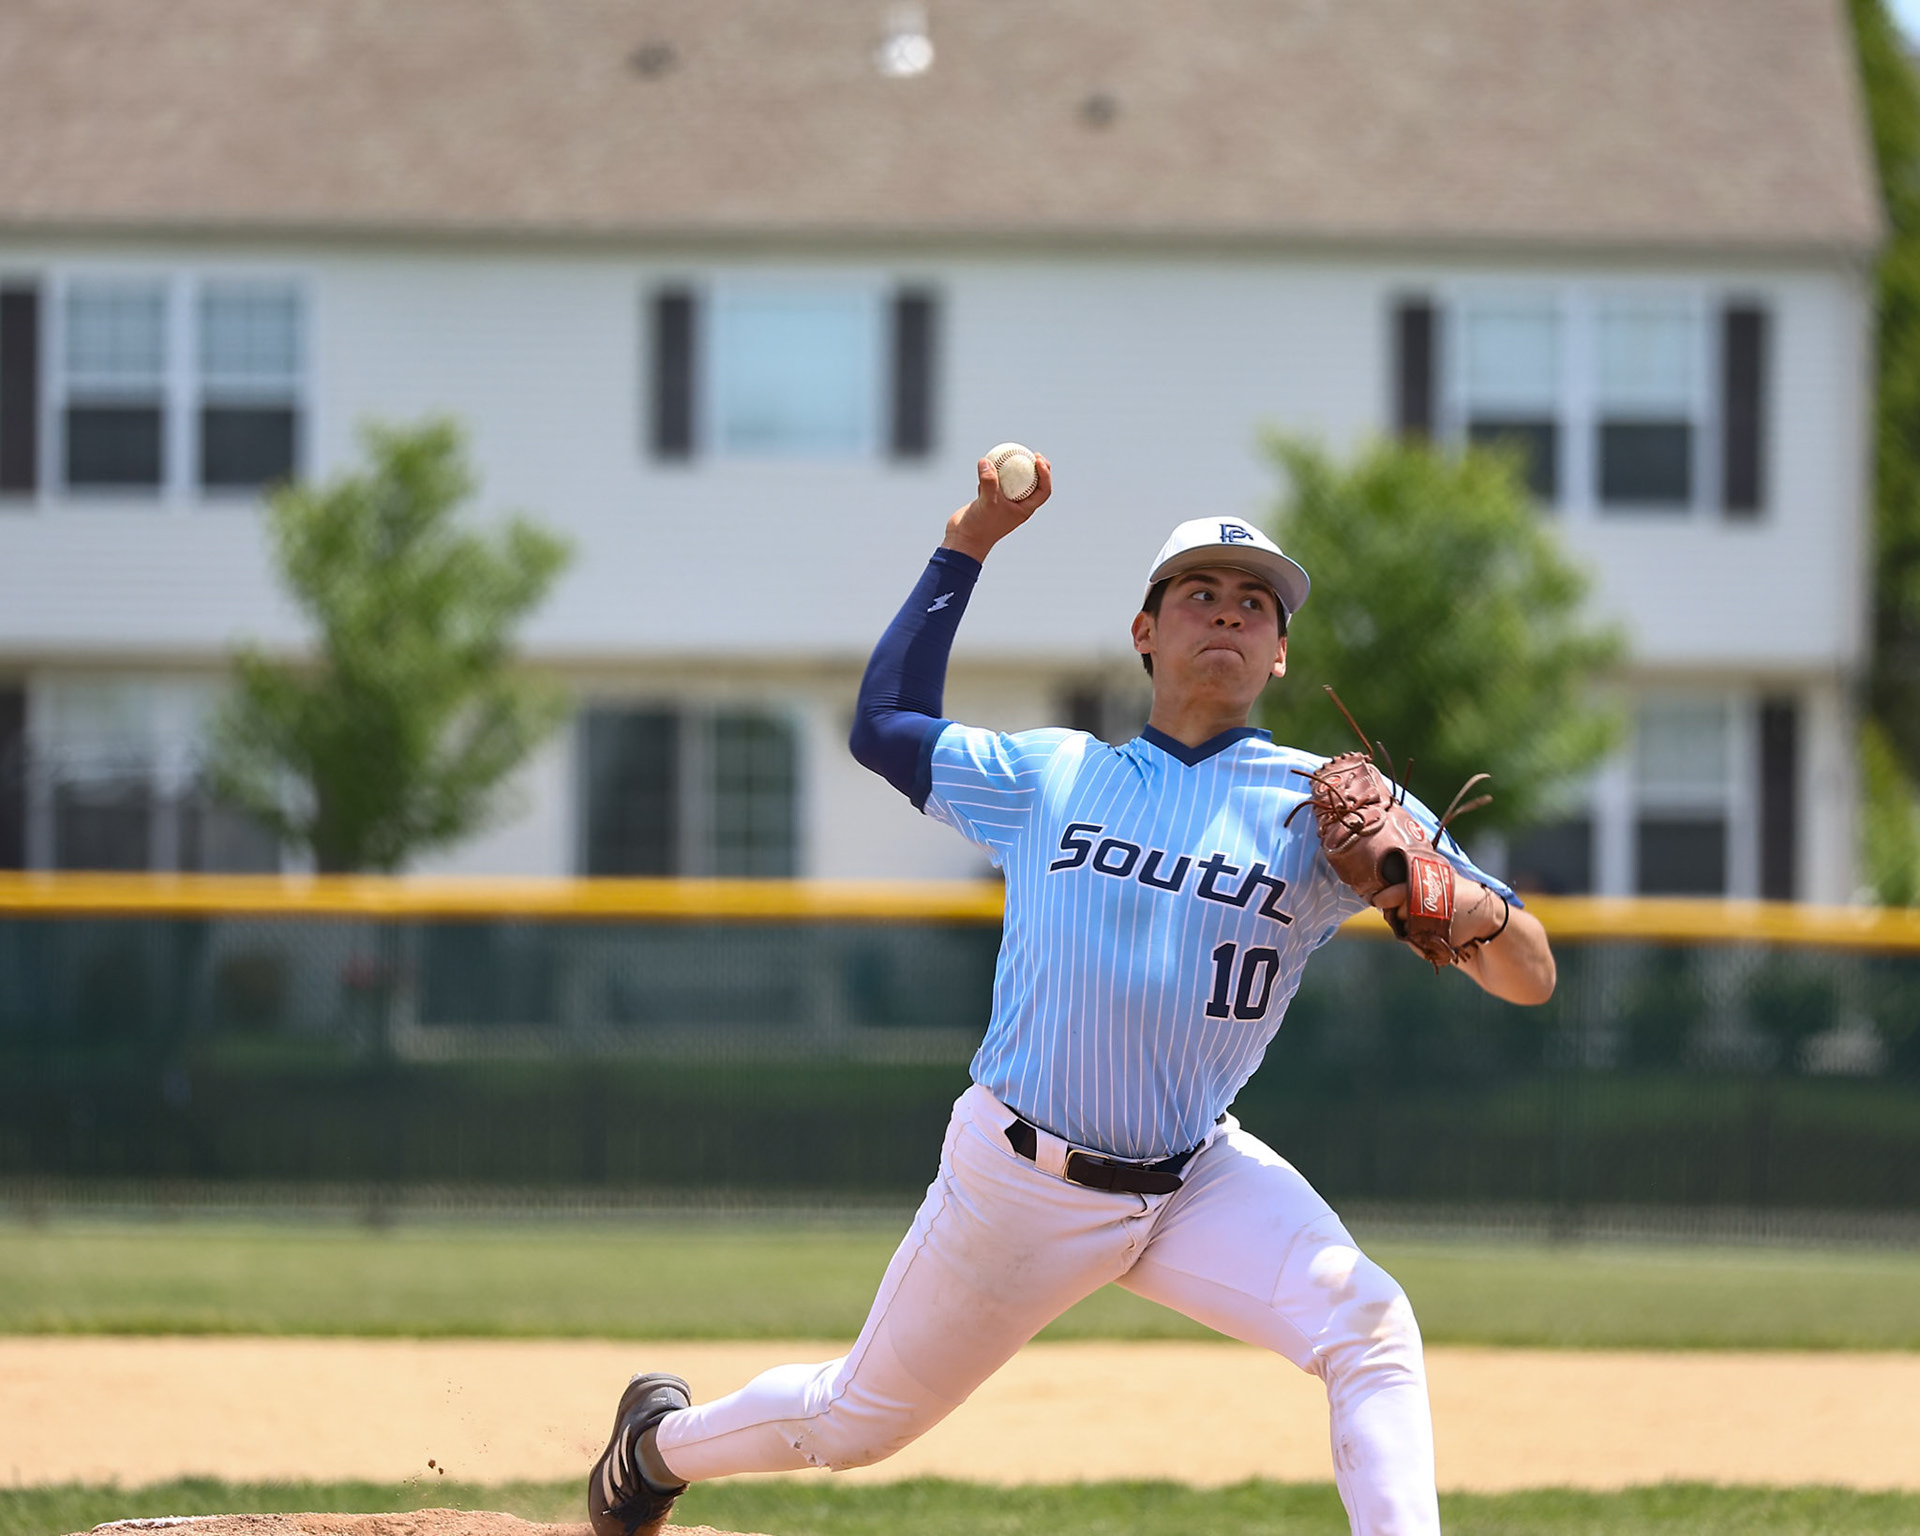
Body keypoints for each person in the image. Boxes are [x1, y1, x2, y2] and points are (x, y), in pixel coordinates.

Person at [588, 456, 1557, 1536]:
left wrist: (1450, 898)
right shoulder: (1049, 775)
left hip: (1193, 1177)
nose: (1227, 614)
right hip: (1021, 1181)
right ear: (1145, 632)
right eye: (1199, 593)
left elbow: (1532, 974)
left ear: (1280, 653)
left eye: (1255, 604)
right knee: (852, 1421)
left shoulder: (1322, 809)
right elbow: (884, 724)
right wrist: (969, 542)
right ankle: (655, 1447)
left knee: (1370, 1327)